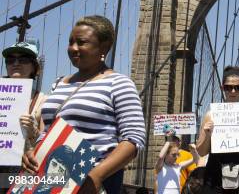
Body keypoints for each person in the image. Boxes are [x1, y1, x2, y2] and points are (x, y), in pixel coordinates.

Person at [21, 15, 146, 193]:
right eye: (70, 42)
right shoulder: (59, 83)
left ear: (104, 47)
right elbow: (49, 130)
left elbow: (133, 139)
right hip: (49, 177)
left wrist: (96, 176)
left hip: (93, 181)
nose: (73, 48)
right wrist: (33, 152)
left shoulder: (119, 83)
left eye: (82, 42)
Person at [196, 66, 239, 193]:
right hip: (214, 181)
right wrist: (207, 135)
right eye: (228, 87)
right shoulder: (210, 115)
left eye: (238, 87)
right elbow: (201, 152)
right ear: (222, 88)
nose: (233, 91)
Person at [1, 40, 46, 194]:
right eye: (10, 60)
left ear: (34, 66)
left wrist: (34, 132)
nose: (16, 63)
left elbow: (47, 142)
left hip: (22, 173)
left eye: (24, 59)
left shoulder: (43, 100)